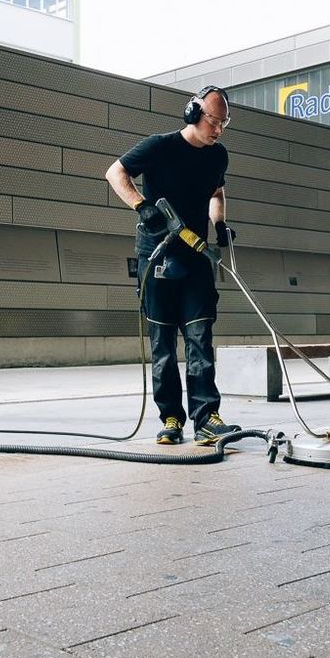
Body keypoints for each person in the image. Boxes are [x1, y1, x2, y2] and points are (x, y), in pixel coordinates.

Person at [105, 86, 241, 446]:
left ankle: (207, 418)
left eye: (224, 123)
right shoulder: (158, 147)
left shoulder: (217, 156)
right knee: (163, 343)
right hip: (158, 256)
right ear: (193, 113)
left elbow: (216, 192)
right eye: (214, 121)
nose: (218, 130)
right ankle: (171, 419)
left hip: (196, 257)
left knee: (199, 337)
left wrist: (220, 224)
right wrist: (140, 206)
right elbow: (115, 173)